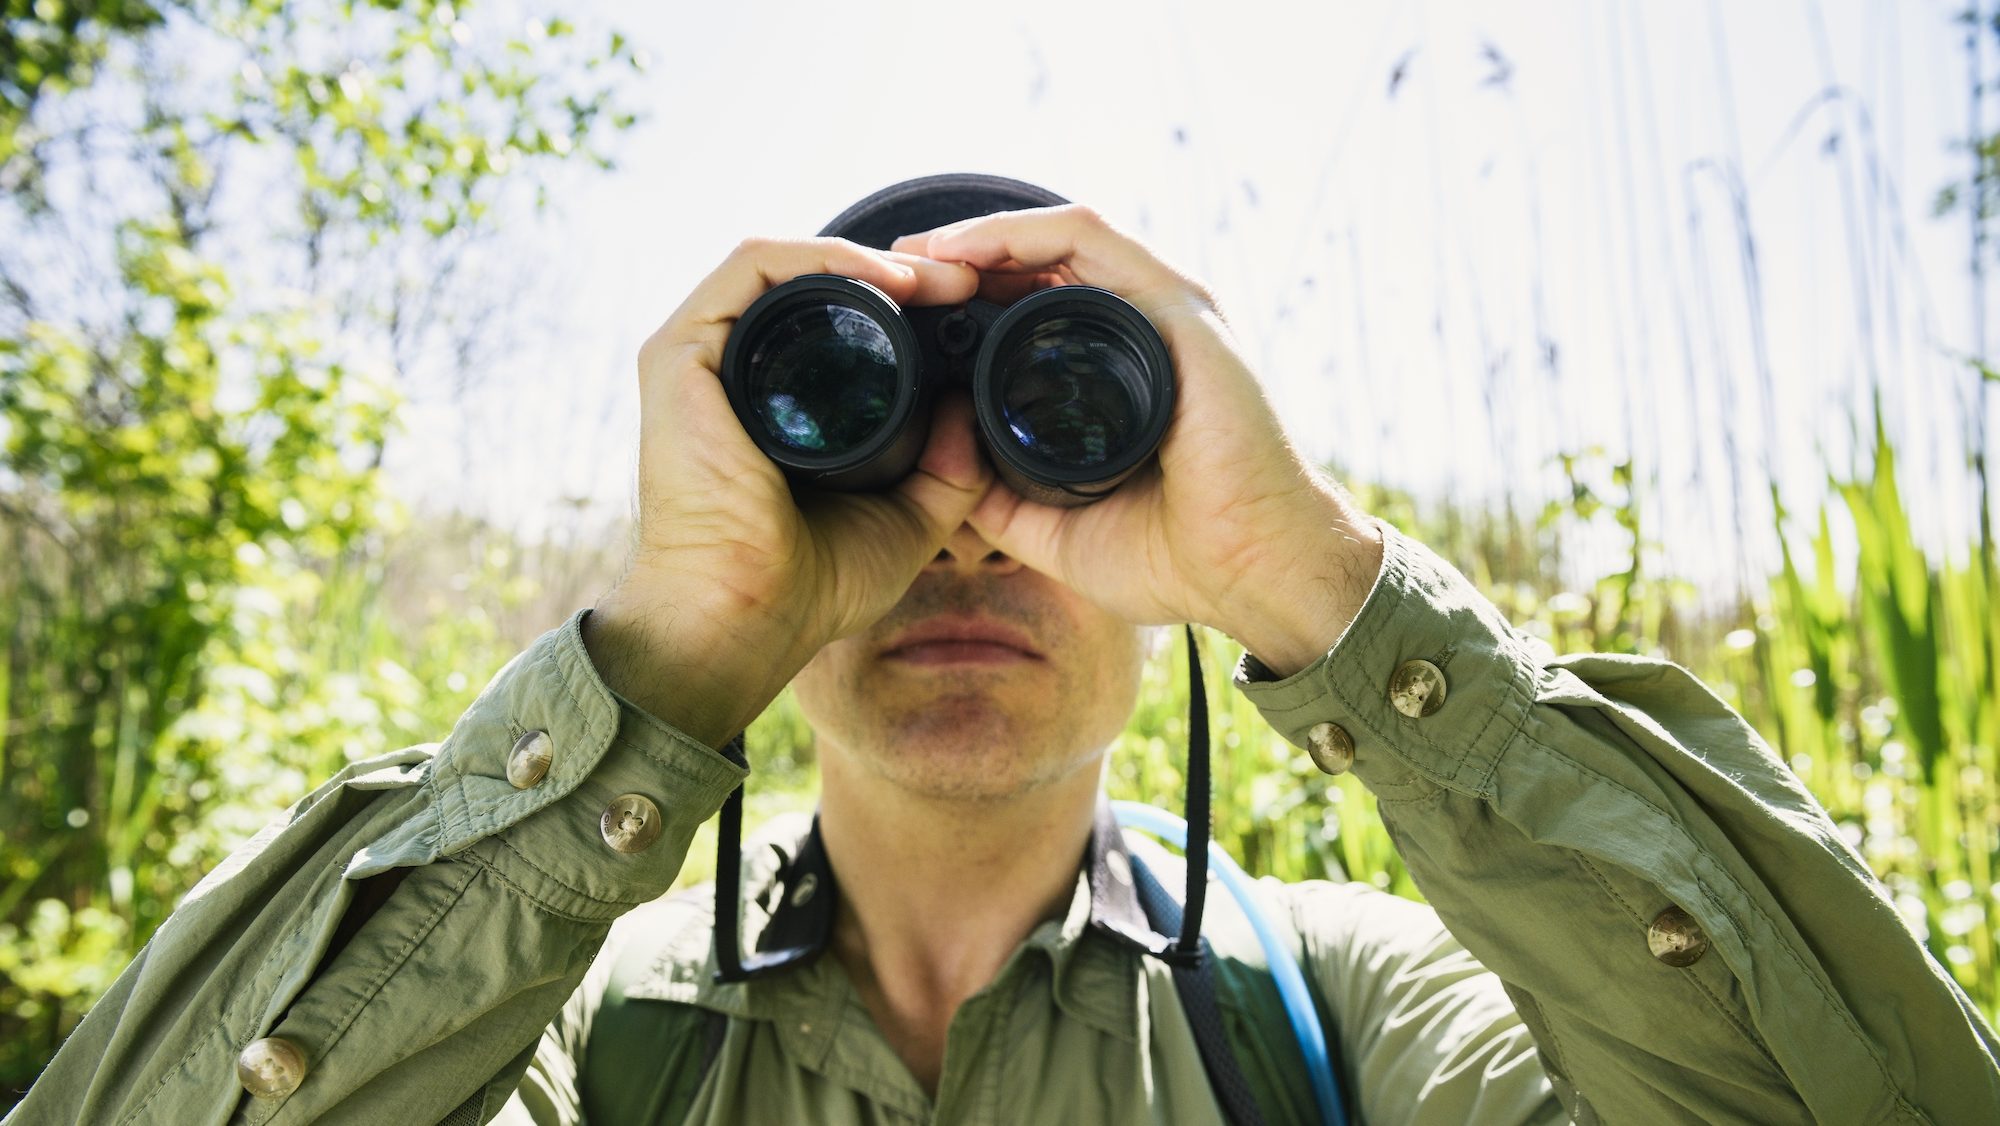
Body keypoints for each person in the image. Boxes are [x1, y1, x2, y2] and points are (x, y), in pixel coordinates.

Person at [8, 173, 1999, 1125]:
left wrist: (1318, 580)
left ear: (1166, 576)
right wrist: (669, 655)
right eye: (885, 470)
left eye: (1055, 438)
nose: (964, 528)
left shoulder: (1348, 1013)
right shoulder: (564, 1022)